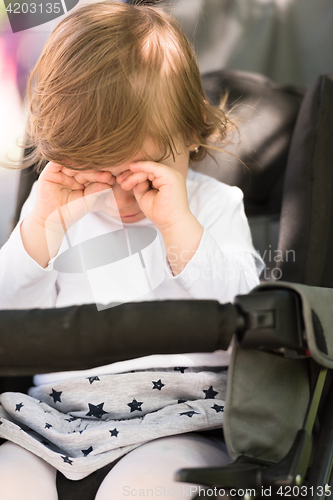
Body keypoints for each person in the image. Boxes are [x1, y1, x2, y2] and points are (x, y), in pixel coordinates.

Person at [0, 1, 264, 498]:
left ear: (189, 135)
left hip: (183, 418)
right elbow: (10, 331)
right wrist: (35, 233)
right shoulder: (61, 211)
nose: (122, 196)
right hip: (55, 419)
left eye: (141, 174)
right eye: (100, 171)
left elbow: (252, 324)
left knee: (146, 486)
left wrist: (180, 227)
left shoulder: (215, 206)